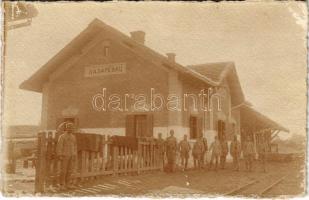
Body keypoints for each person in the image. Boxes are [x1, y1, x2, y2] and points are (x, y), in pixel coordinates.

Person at [56, 122, 77, 190]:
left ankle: (68, 184)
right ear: (66, 128)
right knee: (63, 171)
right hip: (64, 156)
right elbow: (59, 147)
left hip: (71, 155)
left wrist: (74, 154)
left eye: (71, 128)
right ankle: (62, 184)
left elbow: (74, 146)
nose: (70, 129)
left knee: (70, 170)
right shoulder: (62, 136)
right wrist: (60, 155)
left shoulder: (73, 137)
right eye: (69, 127)